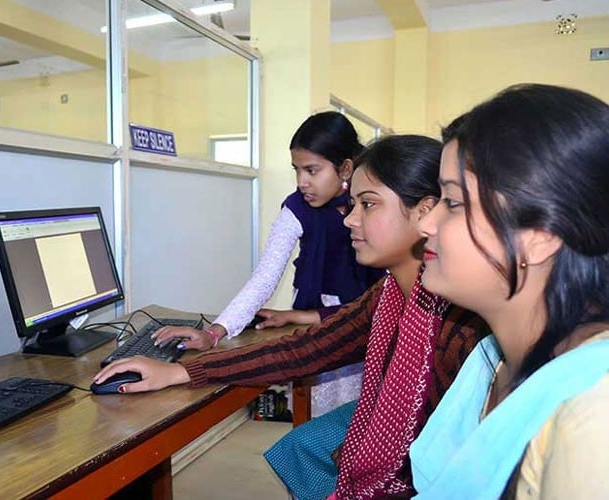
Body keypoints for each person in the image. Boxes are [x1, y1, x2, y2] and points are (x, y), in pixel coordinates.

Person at [95, 135, 487, 499]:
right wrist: (182, 372)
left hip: (437, 470)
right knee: (298, 448)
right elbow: (308, 348)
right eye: (353, 205)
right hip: (400, 433)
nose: (350, 220)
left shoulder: (462, 326)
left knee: (316, 448)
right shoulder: (387, 296)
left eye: (368, 205)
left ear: (425, 212)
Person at [409, 83, 609, 498]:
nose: (426, 225)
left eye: (453, 202)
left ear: (538, 235)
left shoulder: (595, 413)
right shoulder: (488, 362)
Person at [153, 111, 385, 353]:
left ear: (345, 169)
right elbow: (264, 277)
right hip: (318, 332)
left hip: (374, 325)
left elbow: (387, 289)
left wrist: (294, 316)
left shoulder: (374, 207)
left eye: (312, 170)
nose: (302, 181)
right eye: (297, 170)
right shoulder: (297, 208)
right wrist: (215, 332)